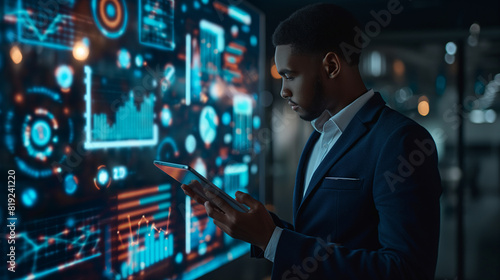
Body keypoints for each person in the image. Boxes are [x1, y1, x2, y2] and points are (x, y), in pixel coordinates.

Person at [182, 3, 441, 279]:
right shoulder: (319, 137)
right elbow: (319, 236)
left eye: (289, 75)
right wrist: (263, 229)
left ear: (331, 66)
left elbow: (406, 271)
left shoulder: (401, 141)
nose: (283, 90)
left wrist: (273, 240)